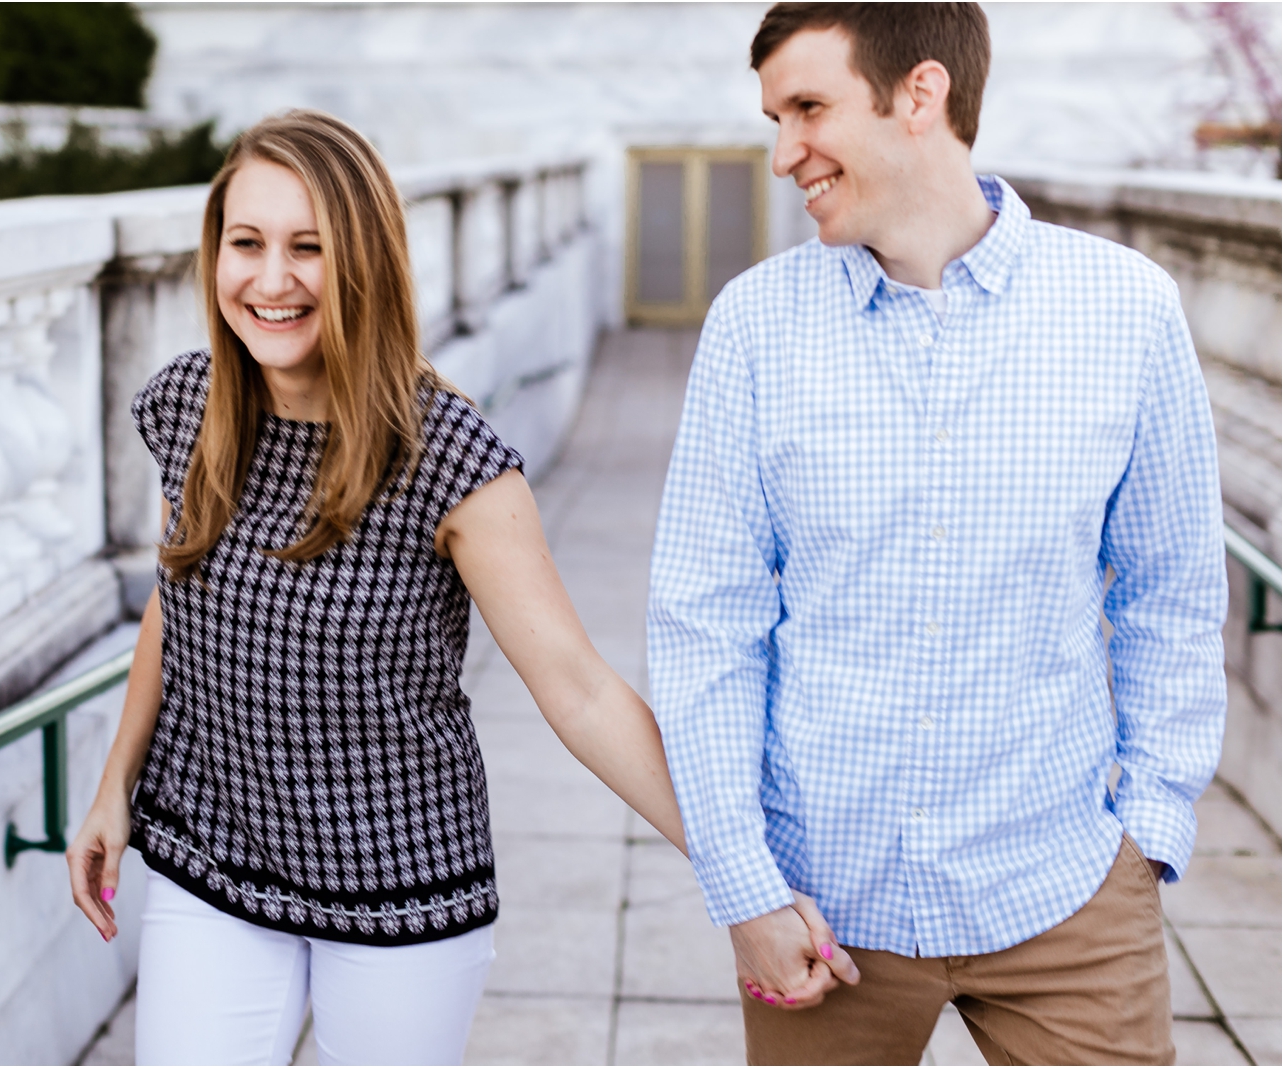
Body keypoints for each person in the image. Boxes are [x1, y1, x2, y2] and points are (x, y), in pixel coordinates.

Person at [646, 4, 1227, 1064]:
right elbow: (706, 626)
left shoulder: (1126, 312)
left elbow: (1172, 590)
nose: (782, 155)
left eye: (808, 109)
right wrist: (744, 886)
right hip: (822, 914)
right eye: (774, 117)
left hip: (1066, 896)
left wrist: (1150, 830)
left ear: (920, 95)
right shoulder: (752, 327)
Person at [66, 109, 687, 1067]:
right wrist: (115, 787)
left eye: (308, 248)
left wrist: (736, 863)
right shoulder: (188, 408)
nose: (271, 281)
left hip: (398, 885)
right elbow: (175, 597)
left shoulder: (450, 459)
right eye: (247, 243)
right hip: (215, 856)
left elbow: (578, 686)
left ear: (364, 262)